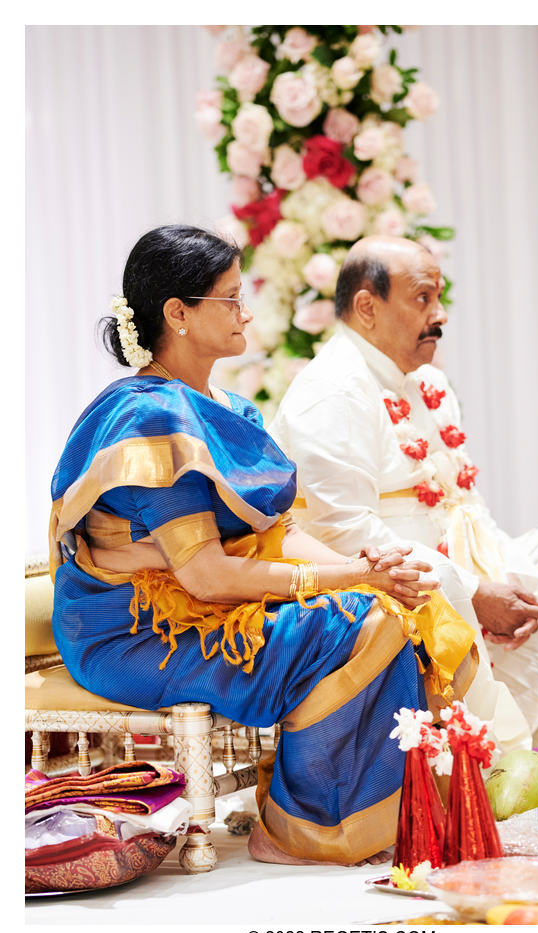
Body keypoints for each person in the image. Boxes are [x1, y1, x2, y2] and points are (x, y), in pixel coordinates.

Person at [49, 225, 479, 868]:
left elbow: (276, 535)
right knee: (363, 623)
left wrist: (369, 567)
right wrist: (350, 583)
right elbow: (208, 576)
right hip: (135, 633)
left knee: (411, 606)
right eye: (230, 298)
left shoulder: (228, 409)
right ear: (179, 314)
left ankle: (359, 813)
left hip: (201, 611)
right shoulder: (149, 421)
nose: (245, 312)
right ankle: (301, 829)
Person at [269, 235, 538, 747]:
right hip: (393, 586)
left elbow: (463, 499)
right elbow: (346, 533)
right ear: (367, 307)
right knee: (452, 589)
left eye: (439, 297)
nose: (441, 314)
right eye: (423, 298)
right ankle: (495, 751)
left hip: (460, 565)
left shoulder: (425, 380)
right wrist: (475, 592)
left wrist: (509, 580)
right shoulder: (331, 391)